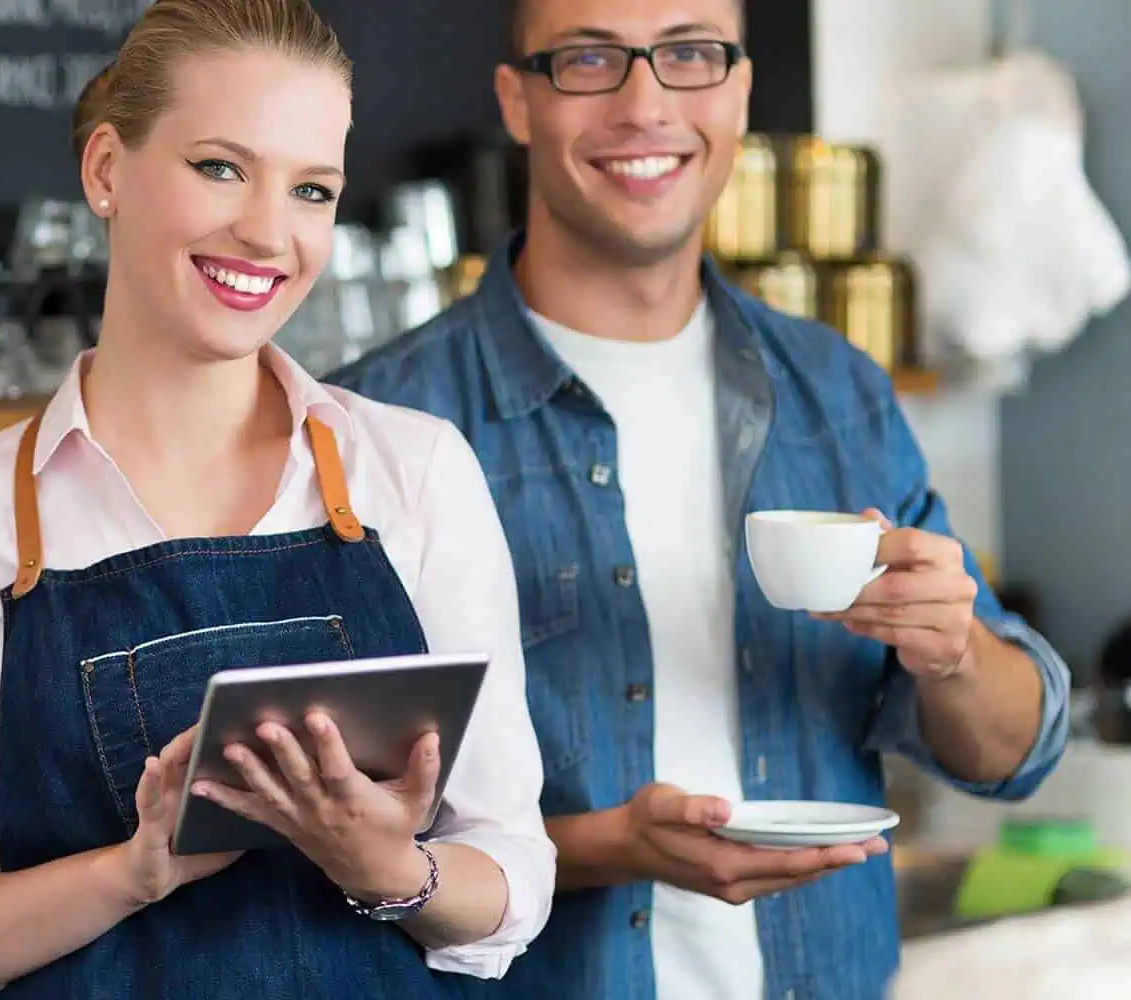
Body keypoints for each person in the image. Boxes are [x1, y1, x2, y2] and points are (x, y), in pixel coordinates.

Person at [0, 2, 557, 998]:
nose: (267, 231)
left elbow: (514, 873)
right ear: (107, 171)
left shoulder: (415, 473)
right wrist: (128, 874)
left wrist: (389, 869)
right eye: (219, 166)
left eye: (312, 188)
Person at [327, 1, 1074, 998]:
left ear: (740, 89)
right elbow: (340, 831)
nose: (646, 105)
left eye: (688, 54)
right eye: (590, 60)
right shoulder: (382, 422)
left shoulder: (838, 391)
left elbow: (1011, 750)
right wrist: (612, 845)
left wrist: (955, 647)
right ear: (517, 101)